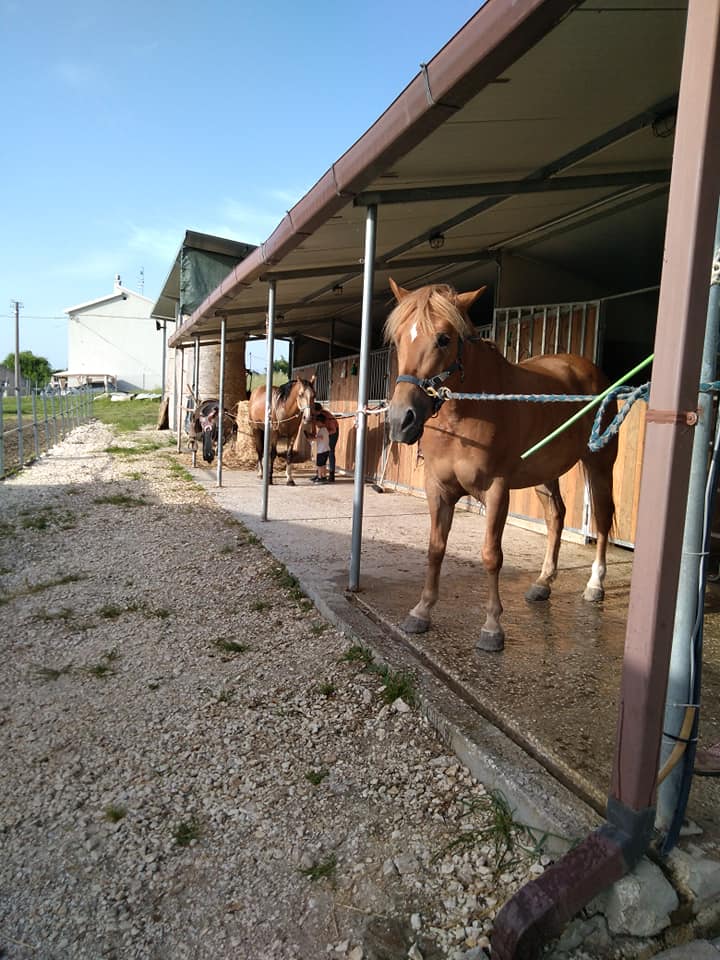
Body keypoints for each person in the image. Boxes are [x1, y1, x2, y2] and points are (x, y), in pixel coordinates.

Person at [314, 402, 339, 482]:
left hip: (333, 431)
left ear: (318, 411)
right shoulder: (316, 415)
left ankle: (332, 475)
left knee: (330, 451)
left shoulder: (327, 416)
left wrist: (324, 434)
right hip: (325, 431)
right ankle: (319, 474)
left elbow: (333, 430)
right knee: (321, 454)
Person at [311, 413, 330, 484]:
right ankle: (324, 476)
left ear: (319, 422)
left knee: (319, 465)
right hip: (326, 450)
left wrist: (312, 438)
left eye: (316, 423)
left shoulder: (322, 430)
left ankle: (319, 477)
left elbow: (320, 438)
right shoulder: (325, 429)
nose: (316, 424)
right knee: (323, 465)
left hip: (321, 451)